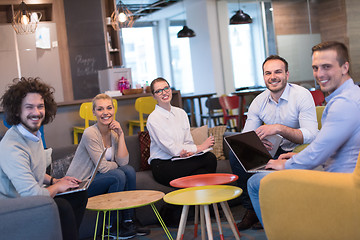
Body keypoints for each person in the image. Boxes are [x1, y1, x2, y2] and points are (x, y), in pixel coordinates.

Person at [248, 41, 360, 226]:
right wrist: (298, 155)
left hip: (340, 182)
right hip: (336, 170)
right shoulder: (350, 95)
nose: (320, 74)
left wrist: (286, 165)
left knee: (255, 183)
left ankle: (287, 233)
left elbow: (318, 152)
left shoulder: (344, 104)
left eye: (327, 67)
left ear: (344, 67)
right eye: (315, 68)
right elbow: (328, 146)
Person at [229, 55, 318, 230]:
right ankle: (252, 210)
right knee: (237, 154)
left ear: (287, 74)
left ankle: (273, 212)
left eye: (278, 72)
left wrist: (278, 128)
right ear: (263, 76)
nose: (273, 76)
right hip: (273, 150)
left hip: (297, 150)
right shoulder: (259, 101)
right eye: (268, 73)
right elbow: (246, 136)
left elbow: (311, 134)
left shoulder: (301, 95)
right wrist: (256, 142)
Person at [0, 77, 87, 240]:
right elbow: (33, 196)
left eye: (40, 106)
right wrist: (58, 187)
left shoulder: (33, 134)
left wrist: (54, 181)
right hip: (10, 208)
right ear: (17, 110)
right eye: (29, 107)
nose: (37, 112)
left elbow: (32, 169)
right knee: (62, 207)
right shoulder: (12, 146)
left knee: (78, 195)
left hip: (26, 198)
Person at [66, 93, 149, 239]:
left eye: (109, 108)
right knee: (118, 175)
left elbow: (124, 163)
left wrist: (121, 134)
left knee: (128, 171)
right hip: (81, 184)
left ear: (114, 110)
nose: (106, 112)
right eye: (100, 109)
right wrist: (116, 164)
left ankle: (128, 222)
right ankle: (109, 228)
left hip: (98, 179)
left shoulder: (114, 134)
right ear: (94, 113)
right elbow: (103, 168)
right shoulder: (90, 133)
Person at [147, 77, 217, 186]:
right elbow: (171, 148)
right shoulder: (153, 119)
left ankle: (195, 201)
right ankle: (201, 200)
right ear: (154, 96)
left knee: (210, 159)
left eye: (166, 88)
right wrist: (200, 147)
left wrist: (189, 153)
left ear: (170, 90)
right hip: (163, 165)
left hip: (181, 159)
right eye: (158, 91)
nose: (164, 93)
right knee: (204, 167)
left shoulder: (181, 113)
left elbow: (188, 142)